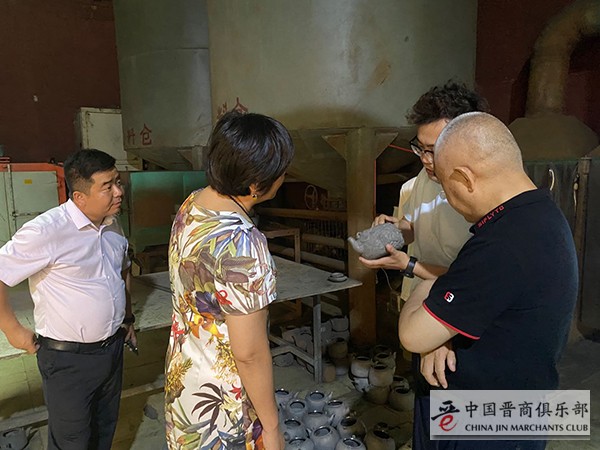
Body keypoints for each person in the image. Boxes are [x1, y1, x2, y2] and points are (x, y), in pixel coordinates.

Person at [399, 112, 578, 449]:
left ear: (465, 178)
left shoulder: (502, 243)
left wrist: (425, 287)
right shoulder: (540, 214)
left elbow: (413, 335)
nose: (449, 199)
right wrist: (443, 327)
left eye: (447, 188)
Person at [361, 82, 489, 448]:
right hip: (425, 310)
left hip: (460, 320)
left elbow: (478, 278)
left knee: (459, 419)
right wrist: (395, 229)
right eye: (421, 148)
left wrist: (409, 265)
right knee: (426, 404)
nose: (426, 160)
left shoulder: (480, 196)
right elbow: (414, 224)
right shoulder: (418, 183)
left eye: (435, 150)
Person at [164, 111, 295, 450]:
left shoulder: (193, 204)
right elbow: (249, 353)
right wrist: (272, 426)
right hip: (223, 406)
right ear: (255, 185)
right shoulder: (243, 245)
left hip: (186, 385)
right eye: (280, 171)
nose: (284, 177)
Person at [0, 149, 135, 450]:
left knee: (103, 430)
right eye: (108, 186)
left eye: (118, 182)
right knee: (72, 440)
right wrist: (12, 330)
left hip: (112, 350)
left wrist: (128, 319)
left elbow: (122, 270)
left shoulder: (112, 224)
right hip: (68, 361)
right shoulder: (48, 231)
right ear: (79, 197)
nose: (119, 192)